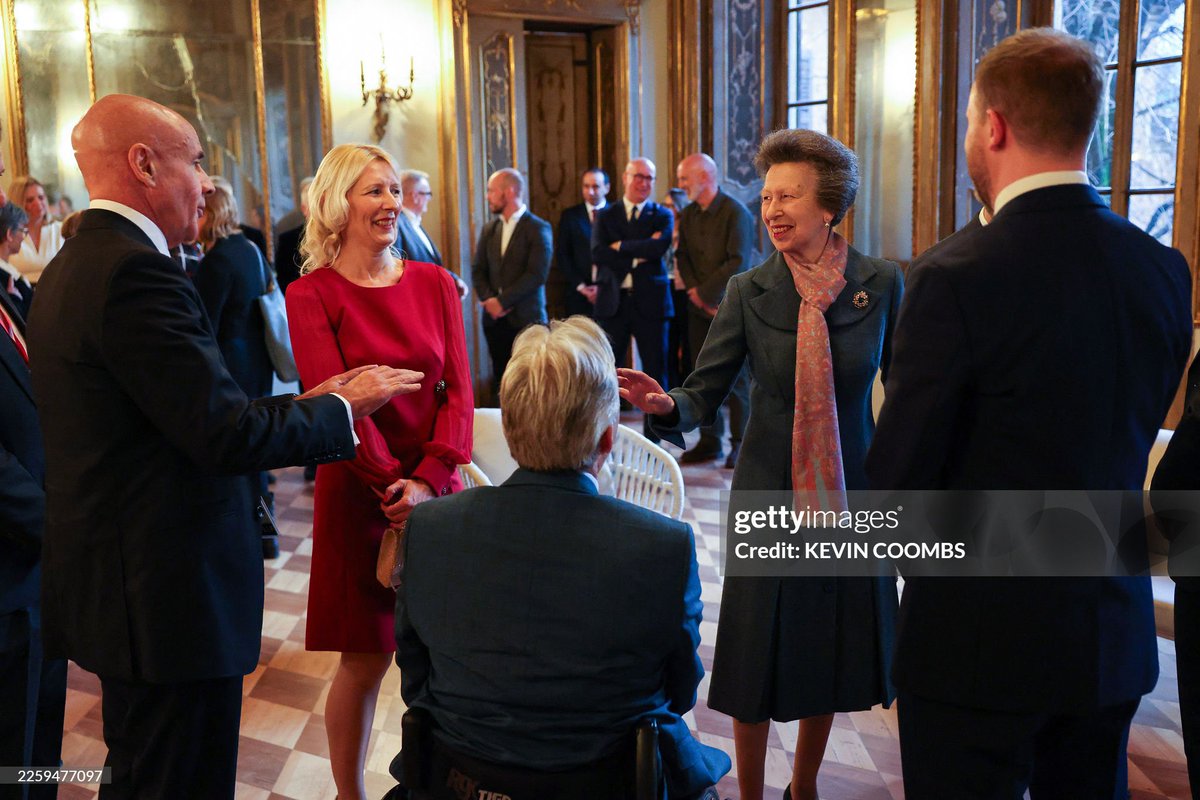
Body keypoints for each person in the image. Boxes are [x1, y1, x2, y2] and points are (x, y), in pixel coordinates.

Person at [26, 94, 423, 800]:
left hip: (128, 592)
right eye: (197, 162)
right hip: (166, 603)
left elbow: (191, 414)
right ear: (144, 164)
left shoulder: (73, 264)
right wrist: (344, 404)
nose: (207, 184)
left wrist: (307, 405)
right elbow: (223, 435)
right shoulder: (134, 272)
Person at [865, 28, 1192, 798]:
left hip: (978, 642)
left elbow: (900, 486)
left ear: (994, 126)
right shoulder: (1162, 269)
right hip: (1109, 628)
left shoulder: (954, 278)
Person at [621, 129, 903, 800]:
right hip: (769, 494)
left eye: (789, 195)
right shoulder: (750, 290)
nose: (773, 209)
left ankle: (802, 786)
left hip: (847, 496)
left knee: (827, 645)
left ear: (829, 204)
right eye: (768, 195)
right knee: (754, 656)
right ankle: (750, 792)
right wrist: (668, 404)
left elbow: (912, 396)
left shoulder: (882, 285)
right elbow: (704, 390)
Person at [393, 316, 730, 799]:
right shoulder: (663, 546)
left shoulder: (428, 528)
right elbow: (679, 694)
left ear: (509, 431)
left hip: (461, 779)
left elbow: (415, 680)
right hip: (608, 784)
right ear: (609, 440)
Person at [286, 143, 473, 800]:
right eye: (375, 191)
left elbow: (458, 391)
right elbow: (332, 398)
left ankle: (441, 786)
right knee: (363, 663)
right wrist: (391, 483)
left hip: (435, 493)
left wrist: (427, 480)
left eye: (395, 190)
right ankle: (350, 794)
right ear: (338, 203)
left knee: (444, 663)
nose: (392, 203)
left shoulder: (434, 282)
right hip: (359, 494)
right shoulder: (309, 294)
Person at [0, 124, 65, 800]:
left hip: (38, 569)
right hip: (14, 558)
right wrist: (57, 523)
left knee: (38, 746)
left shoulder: (9, 293)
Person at [194, 176, 278, 556]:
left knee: (245, 455)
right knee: (257, 453)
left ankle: (256, 534)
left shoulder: (216, 260)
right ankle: (267, 533)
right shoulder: (247, 247)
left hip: (232, 365)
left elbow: (205, 323)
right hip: (257, 360)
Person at [674, 153, 755, 466]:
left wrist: (708, 294)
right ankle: (709, 441)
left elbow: (739, 261)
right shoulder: (690, 214)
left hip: (729, 306)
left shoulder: (736, 213)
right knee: (702, 376)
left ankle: (741, 444)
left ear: (705, 177)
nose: (680, 185)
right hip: (698, 308)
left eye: (685, 179)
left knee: (737, 380)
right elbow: (681, 256)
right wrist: (696, 293)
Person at [592, 158, 674, 440]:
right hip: (614, 302)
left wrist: (622, 246)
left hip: (651, 301)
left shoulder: (662, 215)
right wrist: (641, 249)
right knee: (608, 370)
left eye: (649, 178)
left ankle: (654, 436)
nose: (644, 183)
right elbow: (599, 253)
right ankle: (605, 433)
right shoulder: (606, 214)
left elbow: (658, 247)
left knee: (655, 368)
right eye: (638, 176)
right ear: (625, 178)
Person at [470, 167, 552, 398]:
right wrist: (490, 300)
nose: (487, 197)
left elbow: (537, 274)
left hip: (527, 318)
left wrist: (503, 301)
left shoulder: (537, 227)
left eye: (491, 191)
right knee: (501, 379)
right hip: (495, 321)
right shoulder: (490, 229)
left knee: (532, 380)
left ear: (509, 191)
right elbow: (478, 269)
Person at [395, 168, 468, 298]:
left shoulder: (414, 223)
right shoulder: (398, 224)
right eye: (427, 193)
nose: (429, 198)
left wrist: (453, 278)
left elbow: (429, 264)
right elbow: (399, 266)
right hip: (415, 300)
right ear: (415, 196)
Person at [556, 167, 610, 318]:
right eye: (586, 186)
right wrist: (581, 287)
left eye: (595, 186)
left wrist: (603, 286)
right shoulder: (570, 216)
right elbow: (563, 255)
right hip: (578, 295)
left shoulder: (616, 215)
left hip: (610, 294)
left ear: (607, 188)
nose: (590, 191)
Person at [7, 177, 63, 284]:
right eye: (30, 200)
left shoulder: (60, 230)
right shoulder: (9, 235)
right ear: (18, 203)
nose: (38, 203)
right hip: (20, 296)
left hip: (57, 294)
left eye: (41, 197)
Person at [274, 175, 314, 294]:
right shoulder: (288, 241)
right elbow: (286, 284)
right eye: (314, 205)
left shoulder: (341, 235)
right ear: (304, 209)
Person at [0, 203, 33, 319]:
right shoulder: (4, 276)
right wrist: (16, 301)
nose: (25, 236)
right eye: (23, 230)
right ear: (9, 234)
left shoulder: (7, 270)